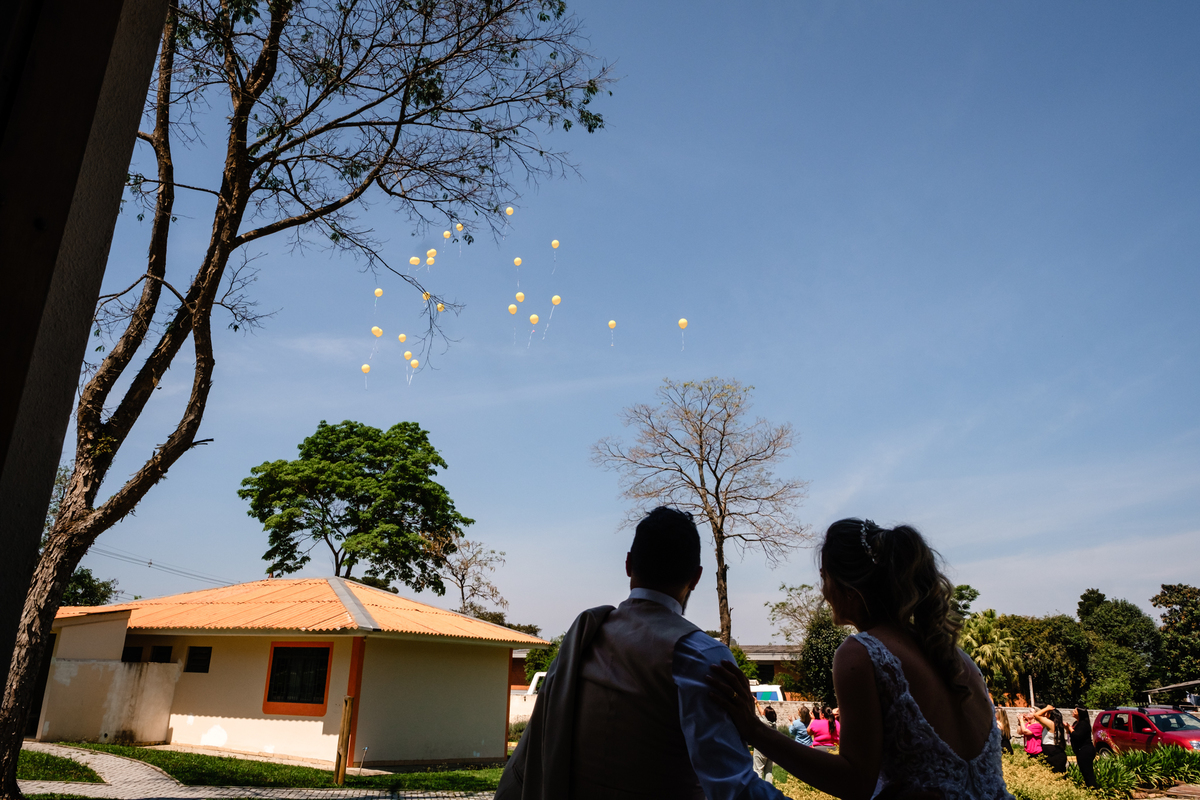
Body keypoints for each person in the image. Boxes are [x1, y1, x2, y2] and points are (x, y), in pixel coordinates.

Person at [707, 518, 1014, 799]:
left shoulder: (862, 653)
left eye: (824, 577)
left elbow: (854, 782)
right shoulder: (955, 658)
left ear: (849, 587)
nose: (823, 592)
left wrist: (754, 729)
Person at [496, 507, 785, 800]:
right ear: (696, 578)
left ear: (628, 564)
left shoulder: (586, 638)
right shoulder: (701, 656)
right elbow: (733, 789)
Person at [1031, 706, 1067, 773]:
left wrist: (1047, 708)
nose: (1044, 714)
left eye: (1046, 713)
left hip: (1051, 753)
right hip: (1055, 752)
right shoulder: (1056, 724)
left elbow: (1036, 715)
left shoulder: (1050, 724)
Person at [1069, 708, 1096, 788]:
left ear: (1080, 714)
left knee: (1088, 773)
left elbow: (1077, 736)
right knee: (1084, 772)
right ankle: (1089, 788)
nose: (1073, 712)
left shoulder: (1084, 724)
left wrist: (1070, 728)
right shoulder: (1076, 723)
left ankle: (1093, 790)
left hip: (1086, 751)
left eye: (1075, 711)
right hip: (1080, 751)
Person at [754, 705, 778, 784]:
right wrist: (757, 703)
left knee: (758, 770)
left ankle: (758, 789)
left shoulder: (760, 721)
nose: (762, 712)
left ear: (765, 715)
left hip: (760, 749)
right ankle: (769, 789)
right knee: (768, 771)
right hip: (771, 750)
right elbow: (763, 713)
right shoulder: (774, 725)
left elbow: (760, 714)